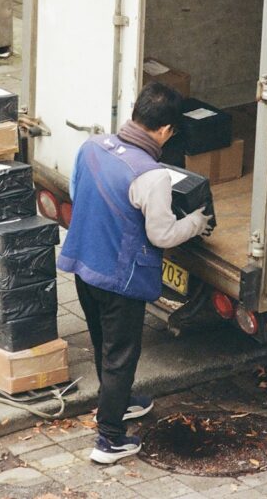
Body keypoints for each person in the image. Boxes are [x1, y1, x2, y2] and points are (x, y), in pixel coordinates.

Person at [57, 82, 213, 464]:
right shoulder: (152, 175)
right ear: (164, 131)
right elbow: (161, 234)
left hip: (84, 265)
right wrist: (196, 221)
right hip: (121, 280)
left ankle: (121, 402)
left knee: (104, 345)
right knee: (121, 356)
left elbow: (80, 194)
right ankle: (109, 440)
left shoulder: (92, 147)